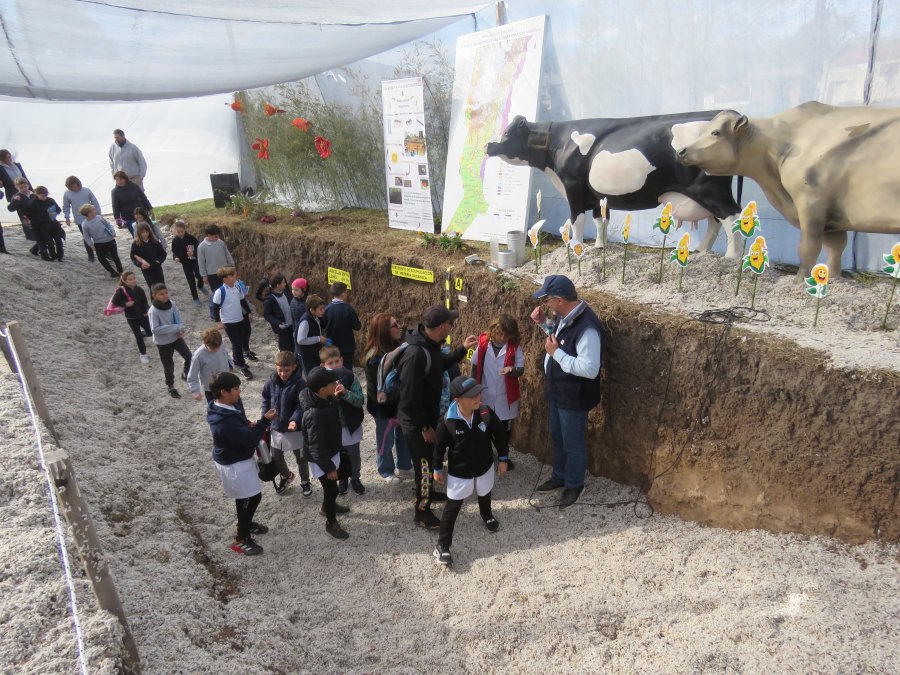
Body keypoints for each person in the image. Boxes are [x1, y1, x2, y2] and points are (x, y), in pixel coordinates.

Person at [396, 305, 477, 529]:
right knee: (424, 466)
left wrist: (461, 349)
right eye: (451, 323)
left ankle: (429, 492)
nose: (452, 326)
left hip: (425, 418)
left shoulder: (428, 344)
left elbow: (440, 364)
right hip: (416, 424)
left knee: (429, 463)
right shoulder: (416, 355)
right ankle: (421, 512)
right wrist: (425, 428)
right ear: (442, 327)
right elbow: (409, 398)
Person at [531, 275, 603, 510]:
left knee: (572, 442)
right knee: (557, 436)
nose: (545, 305)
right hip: (558, 390)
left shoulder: (587, 328)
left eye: (546, 301)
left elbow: (590, 369)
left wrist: (556, 355)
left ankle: (573, 484)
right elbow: (559, 340)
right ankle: (559, 476)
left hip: (574, 396)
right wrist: (544, 324)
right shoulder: (566, 316)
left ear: (559, 300)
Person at [432, 376, 509, 565]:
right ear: (458, 400)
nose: (478, 397)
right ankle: (442, 546)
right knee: (453, 507)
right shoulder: (447, 422)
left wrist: (503, 458)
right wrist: (437, 467)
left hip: (484, 466)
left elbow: (500, 434)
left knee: (485, 492)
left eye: (479, 392)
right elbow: (439, 448)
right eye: (472, 395)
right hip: (460, 472)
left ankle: (486, 514)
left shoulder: (484, 412)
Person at [207, 371, 277, 556]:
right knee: (252, 497)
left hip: (236, 459)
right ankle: (241, 538)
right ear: (224, 392)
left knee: (245, 496)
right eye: (236, 389)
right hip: (234, 464)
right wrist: (263, 421)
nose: (239, 392)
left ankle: (244, 523)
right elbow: (249, 439)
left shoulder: (220, 407)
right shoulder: (224, 422)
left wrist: (246, 424)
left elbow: (241, 425)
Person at [300, 366, 351, 540]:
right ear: (322, 390)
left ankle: (327, 507)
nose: (337, 383)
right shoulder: (314, 414)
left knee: (332, 490)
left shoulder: (322, 399)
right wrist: (328, 468)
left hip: (330, 452)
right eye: (333, 382)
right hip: (322, 460)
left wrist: (335, 398)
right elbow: (315, 446)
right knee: (331, 491)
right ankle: (331, 522)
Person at [470, 314, 525, 471]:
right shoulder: (482, 345)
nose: (502, 338)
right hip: (485, 395)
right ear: (493, 330)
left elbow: (520, 369)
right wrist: (473, 389)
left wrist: (511, 370)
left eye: (506, 335)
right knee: (484, 427)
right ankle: (485, 456)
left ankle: (503, 457)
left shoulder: (514, 348)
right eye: (500, 333)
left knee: (503, 430)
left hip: (505, 398)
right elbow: (474, 367)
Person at [363, 313, 412, 482]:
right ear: (384, 330)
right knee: (386, 439)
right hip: (383, 408)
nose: (399, 327)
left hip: (398, 405)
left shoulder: (394, 348)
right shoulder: (375, 358)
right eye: (394, 325)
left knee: (403, 436)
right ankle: (385, 470)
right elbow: (382, 387)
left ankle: (405, 466)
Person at [261, 350, 312, 497]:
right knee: (276, 455)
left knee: (301, 457)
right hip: (276, 426)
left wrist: (295, 420)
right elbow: (266, 398)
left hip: (294, 429)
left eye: (287, 370)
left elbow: (301, 405)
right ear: (276, 367)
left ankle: (305, 480)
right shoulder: (271, 381)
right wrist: (265, 417)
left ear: (294, 367)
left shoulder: (301, 384)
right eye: (280, 370)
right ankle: (286, 475)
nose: (283, 374)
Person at [320, 345, 365, 496]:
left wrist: (345, 393)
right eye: (330, 363)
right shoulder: (321, 382)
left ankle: (355, 478)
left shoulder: (350, 377)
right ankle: (342, 478)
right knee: (337, 455)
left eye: (336, 361)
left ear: (342, 360)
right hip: (333, 428)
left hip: (350, 425)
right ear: (323, 365)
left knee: (354, 454)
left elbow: (359, 400)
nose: (334, 365)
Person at [148, 283, 193, 398]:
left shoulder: (172, 304)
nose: (165, 296)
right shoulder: (153, 311)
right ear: (154, 296)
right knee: (168, 365)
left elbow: (177, 318)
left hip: (176, 337)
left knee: (188, 356)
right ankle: (171, 386)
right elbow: (155, 329)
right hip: (163, 343)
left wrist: (180, 328)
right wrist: (176, 327)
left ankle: (185, 374)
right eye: (161, 294)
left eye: (166, 293)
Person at [212, 266, 255, 380]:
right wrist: (218, 321)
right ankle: (241, 365)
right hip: (229, 322)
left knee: (242, 338)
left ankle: (237, 361)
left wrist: (249, 312)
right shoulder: (220, 292)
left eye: (234, 274)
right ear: (225, 279)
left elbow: (242, 301)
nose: (235, 276)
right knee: (236, 343)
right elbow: (215, 308)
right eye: (232, 275)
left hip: (239, 319)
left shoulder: (237, 287)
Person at [111, 271, 151, 365]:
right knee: (138, 336)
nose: (133, 280)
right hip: (131, 318)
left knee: (150, 331)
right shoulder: (121, 290)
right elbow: (114, 301)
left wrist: (148, 311)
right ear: (124, 281)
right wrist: (125, 304)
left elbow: (145, 302)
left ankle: (143, 334)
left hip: (143, 316)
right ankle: (143, 354)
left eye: (134, 278)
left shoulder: (139, 289)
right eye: (130, 279)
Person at [187, 327, 234, 403]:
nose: (216, 350)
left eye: (218, 347)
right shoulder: (198, 356)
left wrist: (231, 365)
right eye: (212, 348)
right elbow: (192, 375)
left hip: (226, 382)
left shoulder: (220, 343)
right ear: (205, 343)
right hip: (211, 389)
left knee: (231, 404)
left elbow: (226, 354)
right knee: (216, 409)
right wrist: (195, 391)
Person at [62, 176, 102, 262]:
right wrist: (67, 217)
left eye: (75, 185)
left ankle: (104, 252)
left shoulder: (86, 190)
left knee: (98, 235)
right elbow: (66, 206)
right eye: (72, 187)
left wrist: (98, 213)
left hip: (92, 216)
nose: (74, 188)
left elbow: (94, 201)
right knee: (86, 237)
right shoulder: (67, 194)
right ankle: (90, 255)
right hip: (80, 219)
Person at [323, 281, 361, 366]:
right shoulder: (348, 309)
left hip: (332, 345)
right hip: (347, 346)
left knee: (334, 367)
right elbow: (357, 326)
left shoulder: (327, 308)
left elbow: (323, 326)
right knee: (347, 368)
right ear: (343, 293)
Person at [79, 204, 122, 277]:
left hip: (110, 240)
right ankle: (112, 272)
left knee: (115, 256)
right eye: (93, 209)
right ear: (89, 213)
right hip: (98, 243)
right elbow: (86, 237)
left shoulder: (99, 218)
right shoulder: (85, 224)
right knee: (101, 258)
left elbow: (108, 224)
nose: (95, 210)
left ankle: (120, 271)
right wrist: (91, 245)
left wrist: (112, 231)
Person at [171, 218, 207, 304]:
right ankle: (195, 297)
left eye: (181, 231)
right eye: (178, 232)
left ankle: (200, 285)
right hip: (185, 263)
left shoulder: (191, 238)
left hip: (194, 260)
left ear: (184, 230)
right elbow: (174, 251)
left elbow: (198, 247)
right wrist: (176, 257)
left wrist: (193, 253)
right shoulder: (175, 240)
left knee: (199, 275)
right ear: (176, 231)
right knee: (190, 280)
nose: (180, 234)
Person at [25, 186, 65, 261]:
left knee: (58, 240)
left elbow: (58, 209)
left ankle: (60, 256)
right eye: (42, 195)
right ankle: (52, 256)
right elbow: (28, 215)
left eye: (45, 195)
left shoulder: (50, 200)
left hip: (52, 223)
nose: (44, 197)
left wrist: (55, 212)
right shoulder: (33, 202)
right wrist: (31, 224)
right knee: (48, 241)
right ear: (37, 194)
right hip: (40, 225)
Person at [197, 224, 234, 299]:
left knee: (228, 290)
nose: (217, 238)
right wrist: (204, 276)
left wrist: (232, 266)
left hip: (225, 271)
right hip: (212, 274)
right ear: (209, 235)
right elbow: (201, 263)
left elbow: (227, 254)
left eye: (218, 236)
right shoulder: (201, 247)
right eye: (215, 236)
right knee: (218, 292)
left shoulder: (221, 243)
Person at [111, 171, 152, 237]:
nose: (119, 182)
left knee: (147, 233)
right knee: (136, 235)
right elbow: (115, 206)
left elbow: (144, 198)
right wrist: (117, 219)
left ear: (125, 179)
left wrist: (150, 209)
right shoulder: (115, 192)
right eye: (117, 180)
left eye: (121, 179)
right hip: (128, 217)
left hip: (141, 214)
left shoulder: (134, 186)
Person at [295, 294, 327, 376]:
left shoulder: (315, 317)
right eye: (320, 309)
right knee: (311, 374)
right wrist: (318, 339)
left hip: (313, 351)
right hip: (306, 354)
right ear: (312, 310)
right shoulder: (305, 322)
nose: (323, 311)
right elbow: (301, 340)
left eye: (323, 308)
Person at [262, 274, 295, 352]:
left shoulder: (286, 293)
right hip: (283, 329)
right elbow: (267, 315)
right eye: (283, 282)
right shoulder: (269, 299)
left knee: (294, 347)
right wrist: (278, 323)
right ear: (278, 285)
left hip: (292, 326)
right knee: (285, 349)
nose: (285, 284)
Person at [130, 222, 166, 288]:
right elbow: (133, 257)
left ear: (149, 232)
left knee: (161, 285)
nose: (145, 234)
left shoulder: (155, 242)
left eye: (147, 232)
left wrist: (159, 261)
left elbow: (163, 254)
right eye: (143, 232)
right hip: (146, 270)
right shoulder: (135, 244)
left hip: (157, 267)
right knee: (152, 287)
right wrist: (140, 264)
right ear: (139, 233)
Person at [7, 177, 34, 245]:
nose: (24, 189)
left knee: (42, 234)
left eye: (25, 186)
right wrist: (14, 201)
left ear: (28, 185)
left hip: (37, 217)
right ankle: (35, 249)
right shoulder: (17, 196)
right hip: (26, 219)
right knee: (32, 235)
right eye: (21, 188)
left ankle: (36, 249)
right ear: (16, 187)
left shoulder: (33, 194)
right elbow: (10, 209)